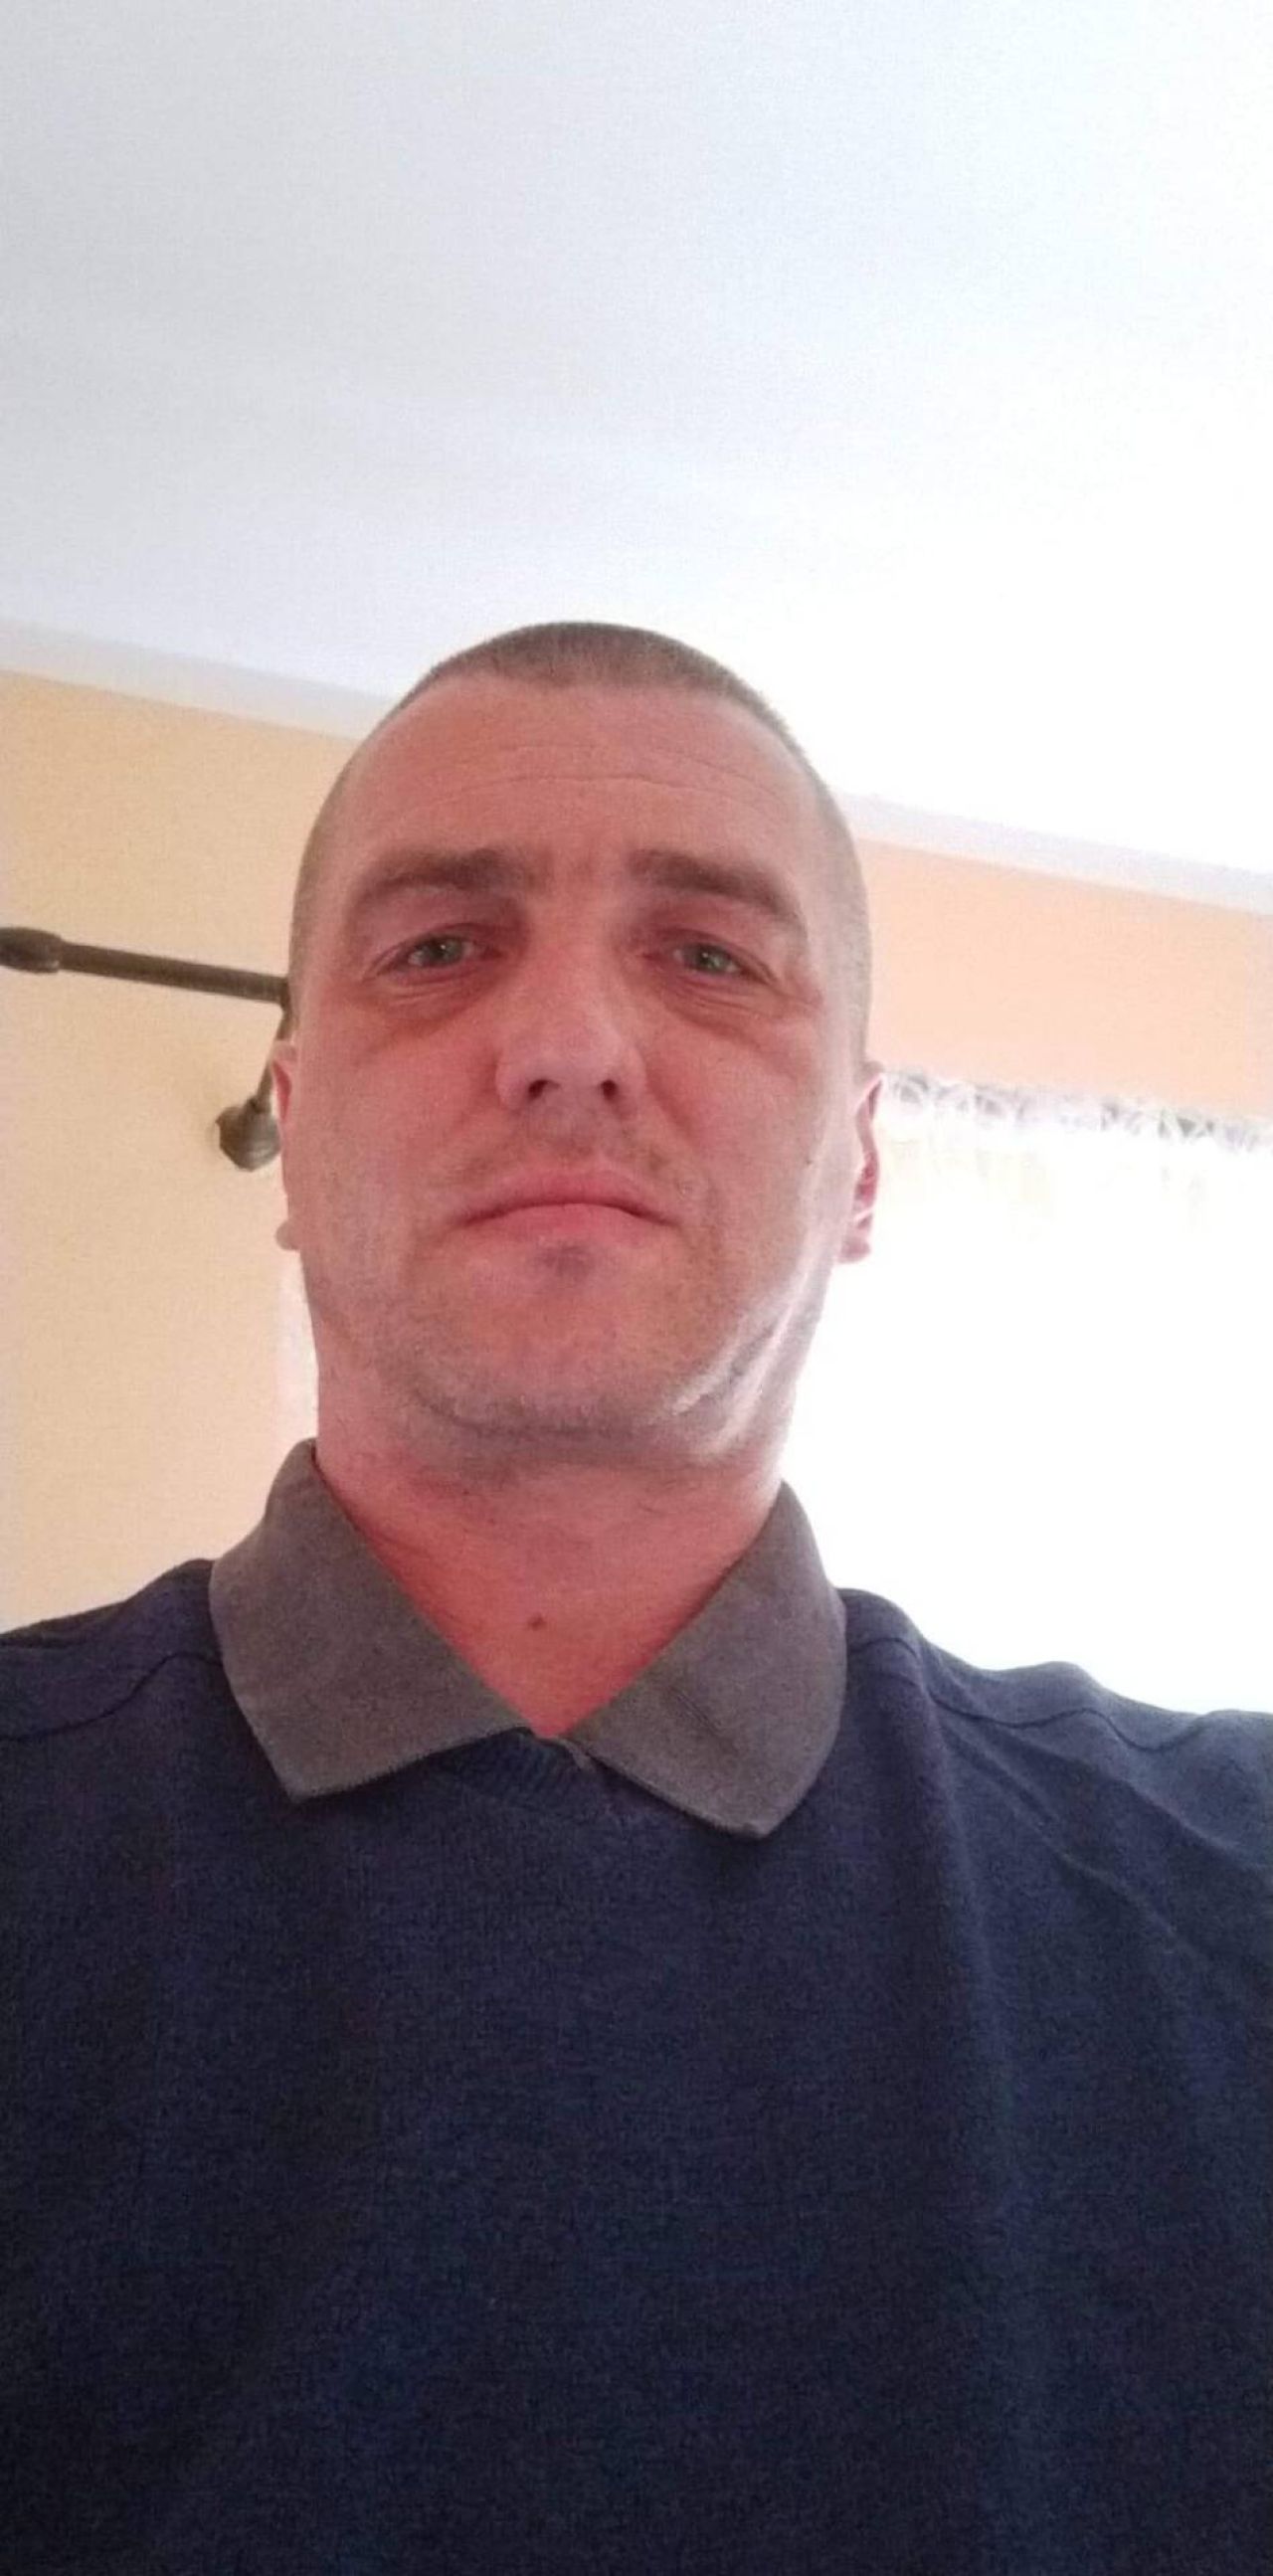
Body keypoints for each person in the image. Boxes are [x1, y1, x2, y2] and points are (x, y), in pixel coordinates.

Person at [3, 621, 1268, 2575]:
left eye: (709, 956)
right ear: (291, 1127)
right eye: (440, 946)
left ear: (860, 1162)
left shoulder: (1232, 1888)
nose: (571, 1040)